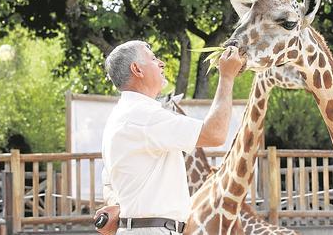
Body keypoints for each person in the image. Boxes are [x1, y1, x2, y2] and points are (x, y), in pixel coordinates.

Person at [96, 40, 243, 235]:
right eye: (154, 58)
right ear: (137, 69)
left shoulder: (119, 117)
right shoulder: (144, 115)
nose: (161, 63)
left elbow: (109, 184)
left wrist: (121, 207)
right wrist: (227, 76)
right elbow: (215, 134)